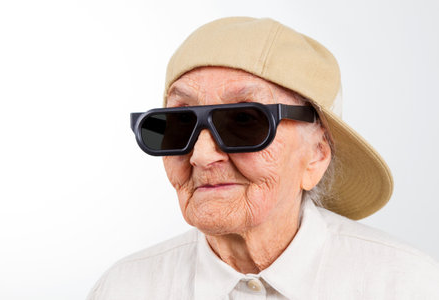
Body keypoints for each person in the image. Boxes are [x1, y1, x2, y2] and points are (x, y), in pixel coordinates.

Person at [87, 17, 439, 299]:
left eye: (244, 121)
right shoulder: (123, 289)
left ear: (315, 157)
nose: (202, 155)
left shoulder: (406, 286)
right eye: (180, 124)